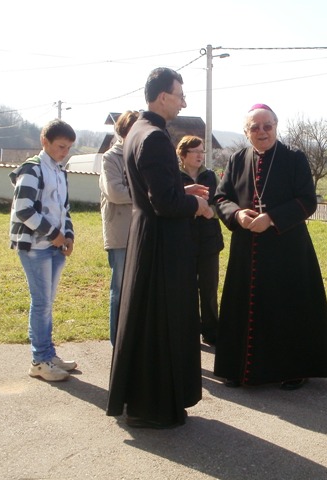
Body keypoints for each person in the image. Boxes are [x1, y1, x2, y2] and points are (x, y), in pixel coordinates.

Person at [106, 67, 213, 429]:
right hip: (160, 244)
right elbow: (164, 204)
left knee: (148, 321)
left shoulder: (138, 130)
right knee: (159, 325)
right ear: (163, 96)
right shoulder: (153, 137)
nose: (183, 102)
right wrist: (196, 205)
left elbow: (154, 194)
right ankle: (151, 406)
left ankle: (148, 401)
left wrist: (183, 191)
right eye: (180, 95)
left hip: (148, 236)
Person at [213, 103, 327, 391]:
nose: (262, 132)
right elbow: (221, 198)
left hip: (287, 247)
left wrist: (271, 218)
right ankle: (238, 368)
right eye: (255, 127)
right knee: (242, 305)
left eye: (267, 126)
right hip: (247, 247)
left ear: (276, 126)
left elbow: (308, 200)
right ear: (246, 132)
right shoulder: (237, 159)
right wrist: (237, 215)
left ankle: (294, 369)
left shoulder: (294, 157)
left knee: (288, 306)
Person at [9, 119, 78, 382]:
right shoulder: (32, 169)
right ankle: (40, 360)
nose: (64, 152)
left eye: (69, 148)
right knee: (41, 304)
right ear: (44, 142)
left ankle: (49, 354)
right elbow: (24, 209)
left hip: (55, 247)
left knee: (47, 304)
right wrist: (55, 235)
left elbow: (64, 209)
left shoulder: (60, 171)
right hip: (36, 247)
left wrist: (68, 235)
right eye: (61, 146)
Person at [177, 135, 224, 346]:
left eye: (202, 151)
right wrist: (191, 209)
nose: (199, 155)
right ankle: (187, 332)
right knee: (185, 289)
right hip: (183, 242)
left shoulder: (210, 176)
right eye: (195, 151)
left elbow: (221, 204)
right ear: (183, 155)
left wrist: (209, 212)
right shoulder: (174, 178)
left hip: (208, 240)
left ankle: (212, 332)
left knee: (209, 287)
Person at [99, 110, 139, 346]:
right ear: (123, 131)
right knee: (120, 290)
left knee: (139, 291)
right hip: (120, 234)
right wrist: (146, 194)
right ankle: (118, 342)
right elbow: (115, 193)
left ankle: (135, 340)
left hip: (142, 231)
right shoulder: (110, 158)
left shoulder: (140, 157)